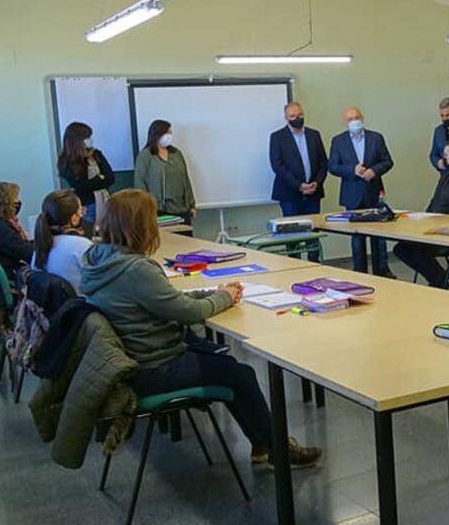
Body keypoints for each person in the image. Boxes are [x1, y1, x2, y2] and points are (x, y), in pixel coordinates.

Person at [80, 189, 321, 469]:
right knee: (240, 374)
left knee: (223, 360)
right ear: (140, 226)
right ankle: (277, 450)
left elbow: (166, 300)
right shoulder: (136, 269)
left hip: (134, 357)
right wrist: (225, 297)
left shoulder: (100, 260)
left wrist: (213, 293)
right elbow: (188, 313)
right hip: (152, 367)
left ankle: (263, 445)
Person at [394, 140, 449, 287]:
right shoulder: (447, 174)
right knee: (401, 248)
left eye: (447, 155)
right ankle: (439, 278)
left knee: (418, 250)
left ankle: (439, 281)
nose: (444, 159)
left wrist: (440, 224)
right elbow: (435, 201)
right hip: (433, 224)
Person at [328, 107, 395, 277]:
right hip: (352, 193)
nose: (354, 121)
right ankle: (360, 270)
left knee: (379, 235)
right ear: (345, 122)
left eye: (357, 117)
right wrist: (352, 169)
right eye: (350, 119)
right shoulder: (338, 141)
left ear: (363, 118)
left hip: (373, 191)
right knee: (357, 237)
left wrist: (374, 171)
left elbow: (387, 161)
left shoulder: (376, 138)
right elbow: (333, 167)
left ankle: (382, 269)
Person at [269, 101, 328, 217]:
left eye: (300, 115)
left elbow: (323, 162)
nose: (297, 118)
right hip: (289, 194)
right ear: (286, 118)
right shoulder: (277, 137)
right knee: (293, 232)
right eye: (293, 116)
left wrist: (316, 183)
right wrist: (299, 185)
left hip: (313, 193)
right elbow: (277, 165)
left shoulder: (314, 135)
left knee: (313, 231)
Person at [134, 119, 196, 225]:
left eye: (170, 133)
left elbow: (185, 179)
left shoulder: (176, 154)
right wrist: (145, 208)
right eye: (167, 133)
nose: (169, 136)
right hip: (159, 210)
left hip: (182, 208)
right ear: (157, 134)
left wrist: (191, 205)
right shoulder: (145, 156)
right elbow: (140, 183)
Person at [57, 121, 114, 230]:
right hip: (85, 206)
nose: (91, 140)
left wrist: (91, 183)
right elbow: (79, 187)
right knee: (88, 235)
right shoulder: (66, 160)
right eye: (87, 137)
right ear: (78, 140)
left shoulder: (96, 154)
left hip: (104, 202)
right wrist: (99, 178)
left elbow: (110, 178)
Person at [32, 190, 92, 292]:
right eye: (80, 211)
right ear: (73, 218)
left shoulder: (39, 249)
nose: (82, 215)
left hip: (55, 306)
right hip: (83, 305)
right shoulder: (82, 245)